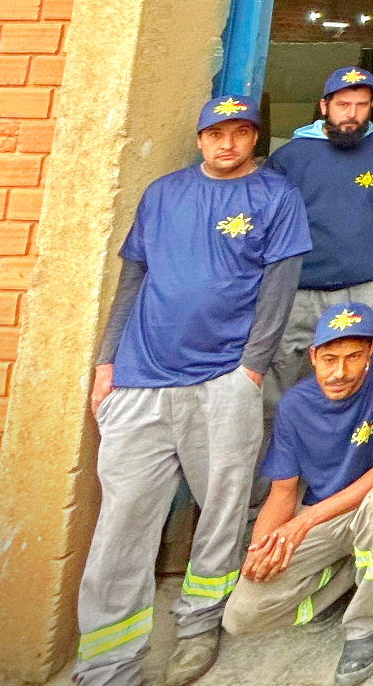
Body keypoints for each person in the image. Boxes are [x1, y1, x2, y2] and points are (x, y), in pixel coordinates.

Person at [77, 96, 310, 686]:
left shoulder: (275, 198)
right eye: (215, 133)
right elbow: (133, 279)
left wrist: (251, 370)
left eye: (240, 132)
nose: (226, 144)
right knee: (123, 519)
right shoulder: (162, 194)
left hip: (223, 380)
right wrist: (107, 362)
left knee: (224, 507)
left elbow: (278, 290)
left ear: (256, 138)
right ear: (201, 139)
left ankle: (198, 623)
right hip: (140, 380)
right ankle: (107, 660)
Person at [223, 303, 373, 686]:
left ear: (371, 352)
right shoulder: (295, 406)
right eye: (329, 358)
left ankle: (365, 625)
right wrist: (261, 548)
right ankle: (340, 582)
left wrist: (305, 522)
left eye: (353, 357)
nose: (339, 372)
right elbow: (282, 492)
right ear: (313, 356)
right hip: (328, 514)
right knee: (241, 616)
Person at [265, 67, 373, 394]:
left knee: (350, 379)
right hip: (297, 291)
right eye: (343, 104)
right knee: (282, 376)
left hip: (358, 291)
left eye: (361, 105)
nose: (352, 114)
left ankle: (344, 444)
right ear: (324, 106)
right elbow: (268, 227)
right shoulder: (290, 157)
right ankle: (283, 441)